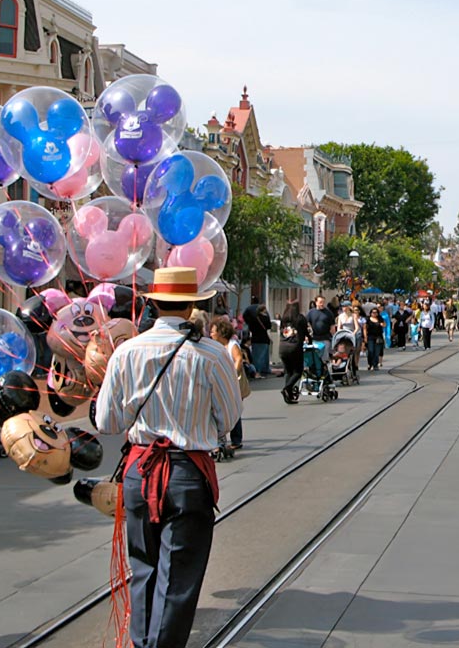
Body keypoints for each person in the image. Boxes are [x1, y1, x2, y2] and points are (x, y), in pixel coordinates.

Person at [95, 267, 242, 648]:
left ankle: (143, 642)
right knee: (178, 578)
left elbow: (107, 421)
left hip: (140, 472)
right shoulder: (211, 354)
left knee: (143, 568)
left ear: (152, 303)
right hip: (187, 473)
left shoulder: (126, 352)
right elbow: (228, 419)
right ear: (193, 303)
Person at [210, 317, 248, 451]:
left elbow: (238, 359)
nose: (211, 334)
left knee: (233, 409)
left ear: (221, 332)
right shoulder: (216, 346)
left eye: (213, 331)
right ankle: (220, 439)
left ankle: (236, 440)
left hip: (234, 383)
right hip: (222, 382)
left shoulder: (232, 344)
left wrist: (232, 375)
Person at [278, 302, 310, 404]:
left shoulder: (283, 319)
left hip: (283, 347)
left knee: (288, 372)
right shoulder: (300, 318)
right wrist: (310, 340)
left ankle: (289, 395)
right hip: (295, 347)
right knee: (298, 371)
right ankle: (287, 388)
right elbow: (306, 332)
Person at [241, 298, 273, 377]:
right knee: (264, 356)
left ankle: (256, 372)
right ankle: (264, 370)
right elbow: (269, 326)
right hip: (264, 338)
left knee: (257, 357)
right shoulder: (265, 317)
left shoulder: (251, 317)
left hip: (256, 338)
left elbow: (244, 317)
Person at [364, 305, 384, 371]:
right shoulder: (368, 319)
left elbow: (384, 325)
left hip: (378, 337)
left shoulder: (380, 319)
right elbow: (365, 328)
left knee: (377, 352)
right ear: (370, 313)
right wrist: (365, 337)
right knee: (370, 351)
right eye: (373, 312)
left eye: (376, 312)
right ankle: (370, 363)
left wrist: (382, 324)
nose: (374, 313)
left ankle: (375, 365)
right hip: (370, 337)